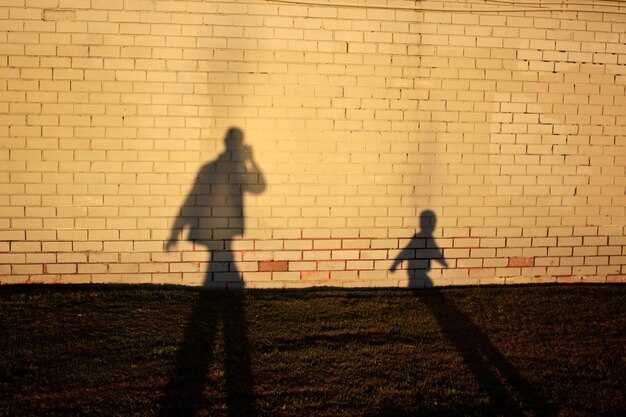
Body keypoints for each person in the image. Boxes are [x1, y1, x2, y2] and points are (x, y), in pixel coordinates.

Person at [166, 127, 265, 285]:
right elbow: (259, 187)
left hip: (212, 227)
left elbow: (191, 200)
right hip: (221, 227)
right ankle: (229, 287)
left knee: (220, 259)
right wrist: (251, 161)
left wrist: (175, 231)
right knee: (222, 258)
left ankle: (225, 287)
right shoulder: (236, 169)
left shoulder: (215, 168)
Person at [390, 209, 448, 287]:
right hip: (417, 270)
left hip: (420, 271)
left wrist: (442, 262)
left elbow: (435, 252)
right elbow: (405, 252)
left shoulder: (426, 237)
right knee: (426, 285)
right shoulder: (420, 237)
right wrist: (394, 265)